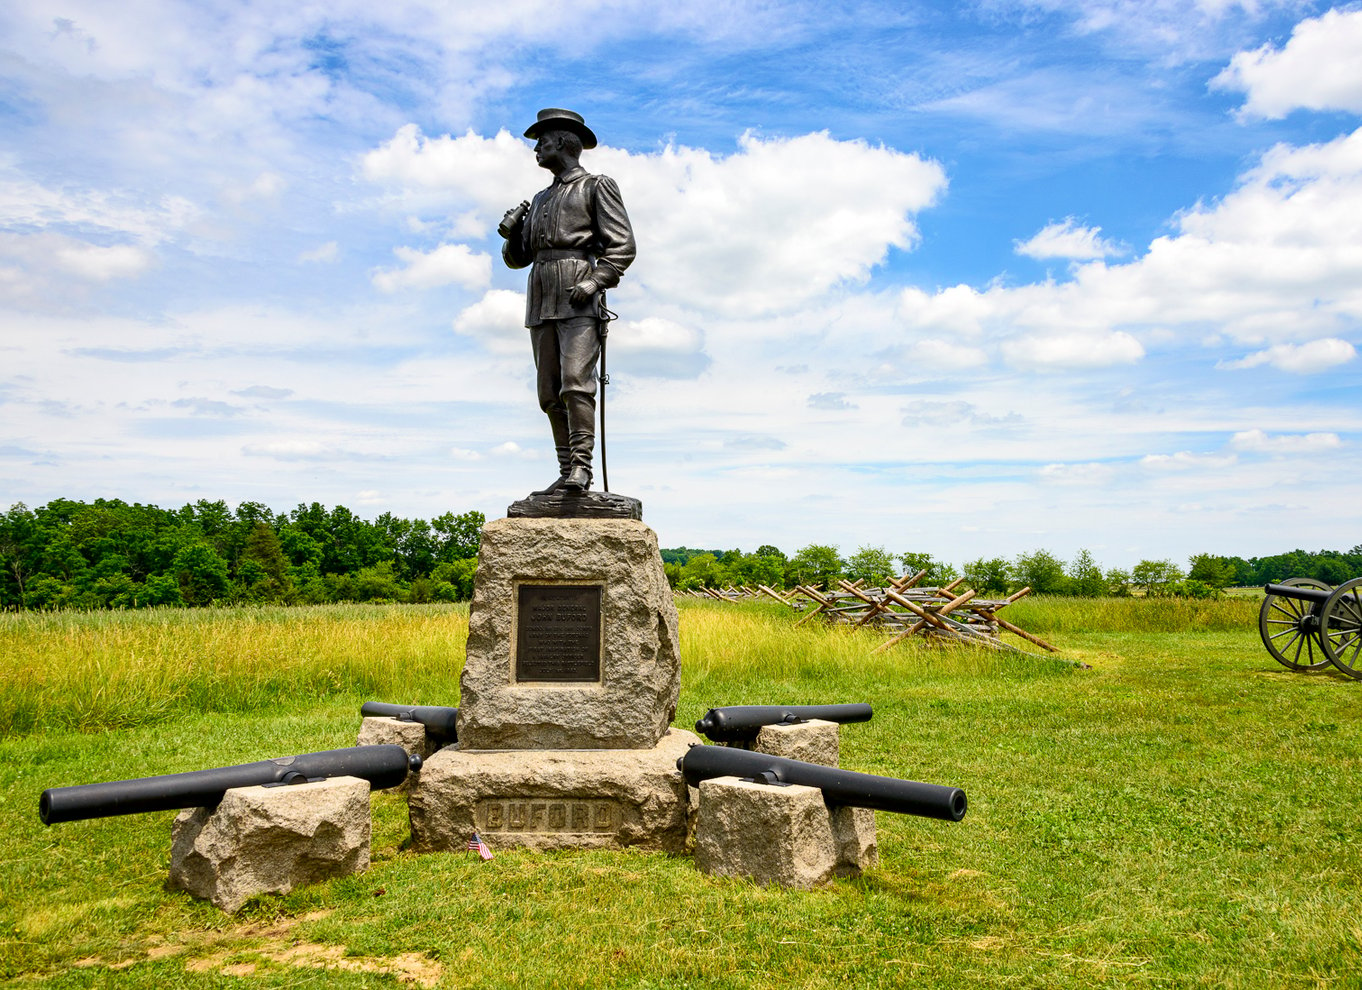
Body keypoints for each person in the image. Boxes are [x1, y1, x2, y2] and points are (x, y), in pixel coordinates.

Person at [498, 108, 636, 494]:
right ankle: (565, 471)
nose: (536, 149)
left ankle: (582, 468)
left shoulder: (596, 186)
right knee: (549, 391)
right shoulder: (540, 198)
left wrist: (596, 281)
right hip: (541, 293)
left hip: (577, 291)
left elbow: (622, 246)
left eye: (541, 141)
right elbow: (517, 259)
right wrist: (511, 233)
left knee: (576, 384)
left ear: (561, 142)